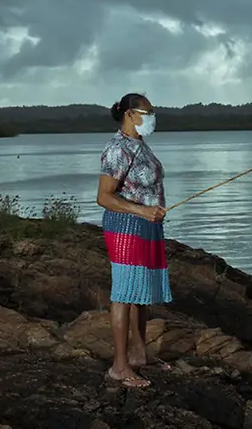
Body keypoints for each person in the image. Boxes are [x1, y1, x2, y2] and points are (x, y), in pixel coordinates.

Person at [95, 92, 172, 388]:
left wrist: (151, 212)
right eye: (147, 112)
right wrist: (142, 210)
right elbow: (104, 197)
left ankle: (140, 355)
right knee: (125, 294)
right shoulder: (117, 148)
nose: (152, 117)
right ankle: (119, 366)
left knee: (141, 293)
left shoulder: (140, 145)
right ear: (129, 113)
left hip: (147, 226)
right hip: (126, 227)